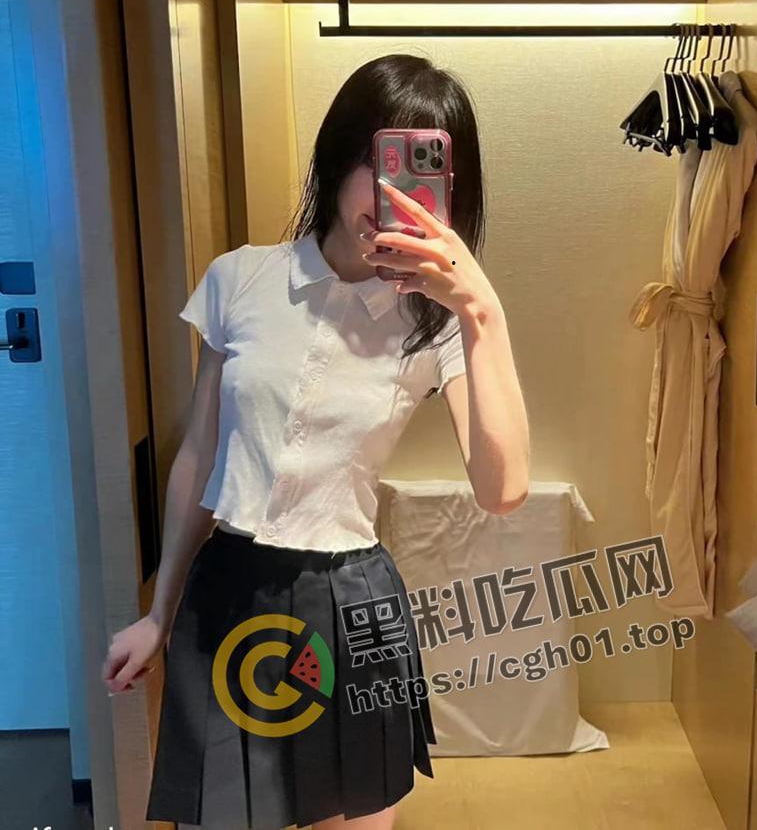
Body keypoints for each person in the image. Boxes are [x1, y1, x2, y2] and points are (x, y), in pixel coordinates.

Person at [101, 53, 530, 829]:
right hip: (227, 591)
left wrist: (481, 310)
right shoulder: (239, 279)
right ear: (338, 157)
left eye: (421, 170)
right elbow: (199, 458)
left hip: (351, 600)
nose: (389, 193)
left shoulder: (436, 322)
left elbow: (503, 490)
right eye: (377, 160)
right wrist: (158, 614)